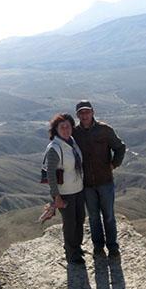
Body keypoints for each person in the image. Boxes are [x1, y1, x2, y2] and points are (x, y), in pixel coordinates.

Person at [72, 100, 126, 258]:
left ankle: (113, 247)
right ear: (77, 115)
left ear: (92, 112)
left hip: (105, 181)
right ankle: (98, 246)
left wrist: (114, 164)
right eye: (81, 113)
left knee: (108, 216)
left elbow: (120, 147)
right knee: (94, 217)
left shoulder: (105, 130)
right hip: (87, 184)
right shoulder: (75, 133)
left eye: (87, 112)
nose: (84, 115)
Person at [45, 113, 86, 264]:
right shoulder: (54, 148)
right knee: (70, 223)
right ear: (55, 129)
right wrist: (56, 197)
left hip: (78, 189)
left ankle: (77, 247)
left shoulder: (72, 142)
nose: (66, 129)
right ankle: (71, 253)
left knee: (80, 219)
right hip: (64, 193)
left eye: (68, 126)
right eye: (62, 127)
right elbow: (50, 174)